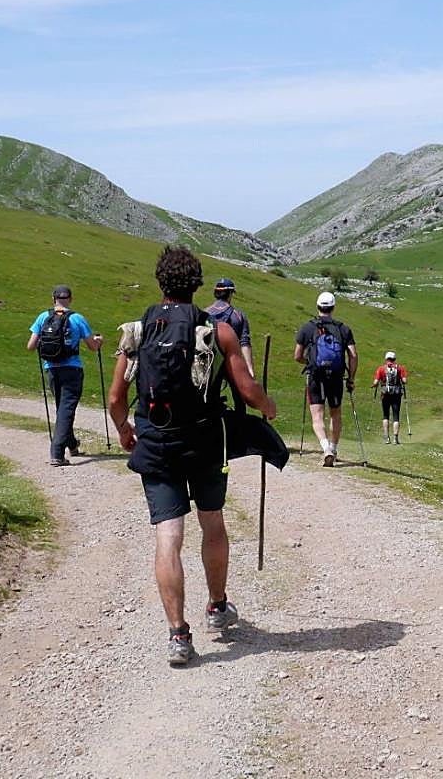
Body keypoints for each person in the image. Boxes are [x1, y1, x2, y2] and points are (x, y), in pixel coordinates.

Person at [108, 246, 276, 666]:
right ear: (197, 284)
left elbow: (115, 398)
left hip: (155, 440)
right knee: (212, 522)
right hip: (204, 441)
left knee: (168, 536)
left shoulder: (137, 331)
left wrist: (126, 430)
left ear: (161, 282)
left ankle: (178, 635)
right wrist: (268, 408)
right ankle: (217, 607)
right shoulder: (217, 331)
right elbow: (248, 391)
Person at [27, 285, 104, 465]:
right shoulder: (77, 318)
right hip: (72, 369)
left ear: (53, 298)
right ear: (70, 299)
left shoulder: (43, 317)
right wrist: (99, 341)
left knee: (63, 409)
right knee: (66, 410)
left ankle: (72, 444)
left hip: (51, 369)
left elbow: (30, 346)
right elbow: (93, 347)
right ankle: (57, 453)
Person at [295, 292, 357, 467]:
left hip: (315, 376)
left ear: (318, 306)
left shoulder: (307, 328)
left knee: (317, 415)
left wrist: (308, 362)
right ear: (333, 307)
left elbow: (297, 355)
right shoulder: (343, 328)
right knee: (335, 413)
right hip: (336, 377)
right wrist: (351, 378)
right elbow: (353, 355)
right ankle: (334, 448)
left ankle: (325, 448)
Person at [205, 277, 255, 378]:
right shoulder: (238, 315)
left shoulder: (204, 313)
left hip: (207, 362)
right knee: (240, 391)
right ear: (230, 294)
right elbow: (244, 342)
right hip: (230, 363)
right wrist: (250, 369)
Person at [371, 351, 408, 444]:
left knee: (385, 415)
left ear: (386, 359)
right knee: (396, 416)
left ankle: (386, 437)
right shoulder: (400, 368)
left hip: (385, 394)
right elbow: (404, 380)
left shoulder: (381, 369)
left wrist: (374, 385)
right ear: (394, 359)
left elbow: (376, 382)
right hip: (396, 394)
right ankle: (395, 438)